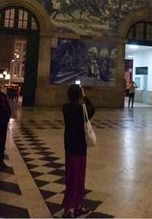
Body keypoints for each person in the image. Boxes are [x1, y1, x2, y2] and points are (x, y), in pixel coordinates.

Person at [62, 84, 95, 217]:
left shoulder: (65, 107)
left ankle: (76, 205)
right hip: (80, 147)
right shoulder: (81, 109)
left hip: (70, 146)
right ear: (79, 95)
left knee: (72, 177)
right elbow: (92, 109)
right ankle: (69, 208)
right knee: (78, 178)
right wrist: (85, 96)